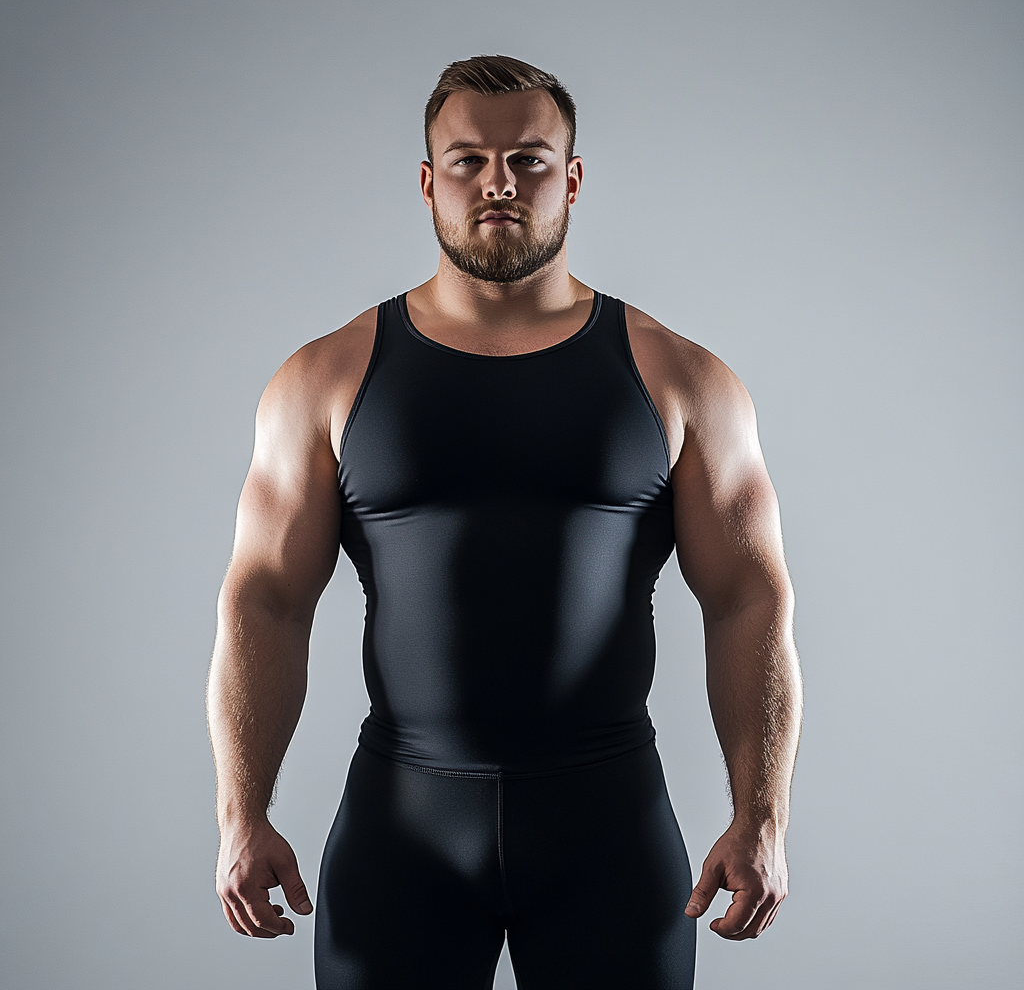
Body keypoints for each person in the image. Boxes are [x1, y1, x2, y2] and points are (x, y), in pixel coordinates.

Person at [207, 54, 802, 990]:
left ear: (570, 179)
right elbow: (266, 601)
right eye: (467, 160)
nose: (497, 182)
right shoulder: (324, 380)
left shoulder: (682, 380)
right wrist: (241, 814)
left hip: (608, 831)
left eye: (528, 159)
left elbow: (749, 601)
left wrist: (761, 816)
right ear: (427, 182)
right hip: (401, 834)